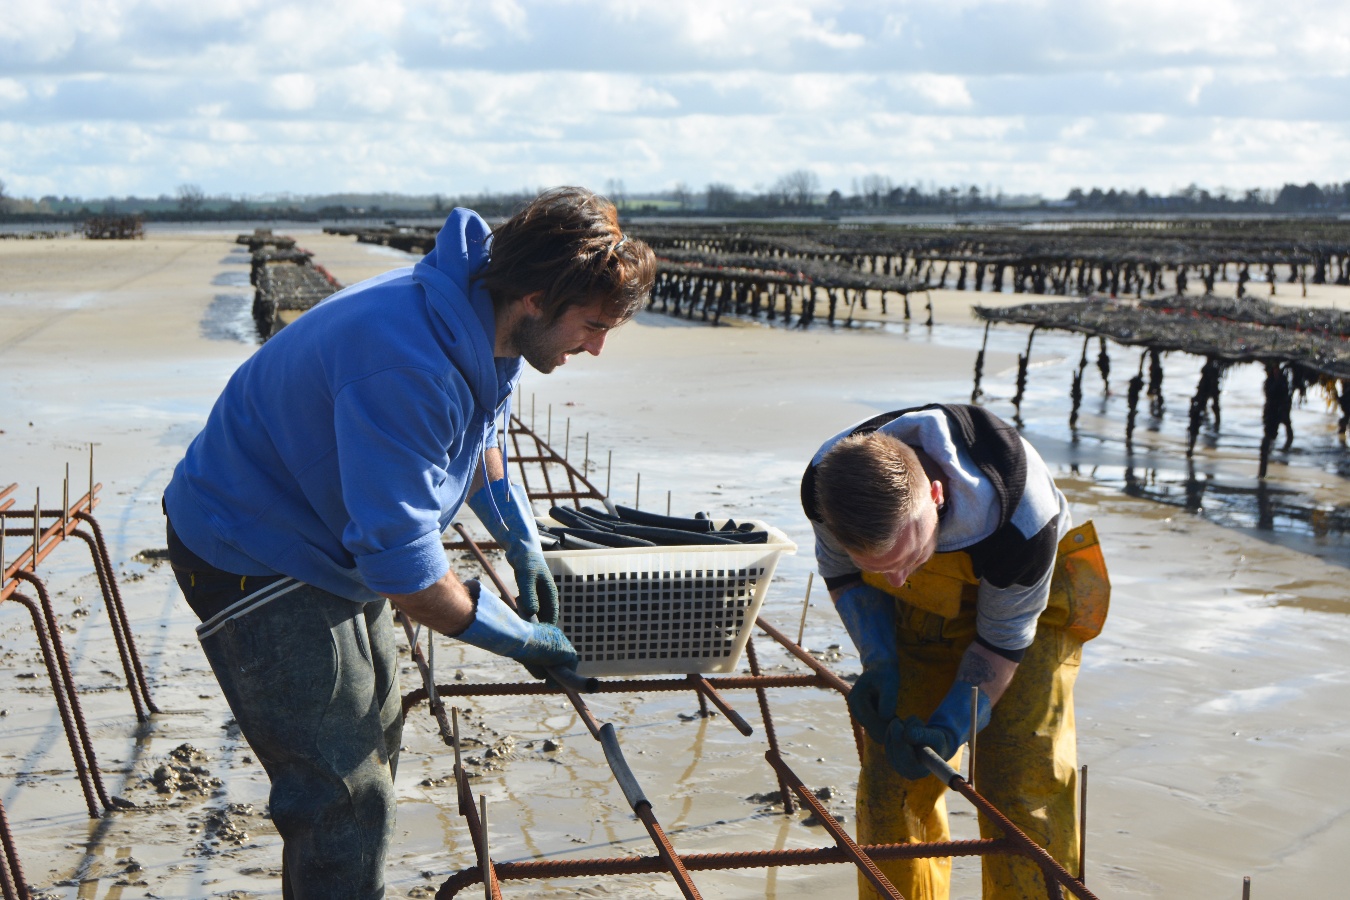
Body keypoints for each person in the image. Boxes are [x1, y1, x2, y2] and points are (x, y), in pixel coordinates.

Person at [163, 187, 655, 899]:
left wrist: (520, 538)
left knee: (376, 729)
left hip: (320, 529)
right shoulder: (408, 363)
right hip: (250, 546)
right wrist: (517, 638)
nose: (598, 346)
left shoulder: (481, 319)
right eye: (594, 325)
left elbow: (479, 441)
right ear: (535, 298)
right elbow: (407, 574)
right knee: (340, 792)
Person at [801, 403, 1109, 899]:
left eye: (906, 557)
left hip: (1026, 610)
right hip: (927, 602)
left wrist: (951, 724)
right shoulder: (825, 486)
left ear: (936, 495)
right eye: (880, 567)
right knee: (891, 787)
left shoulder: (1023, 520)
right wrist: (879, 658)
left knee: (1020, 789)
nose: (895, 579)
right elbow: (842, 573)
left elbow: (1002, 640)